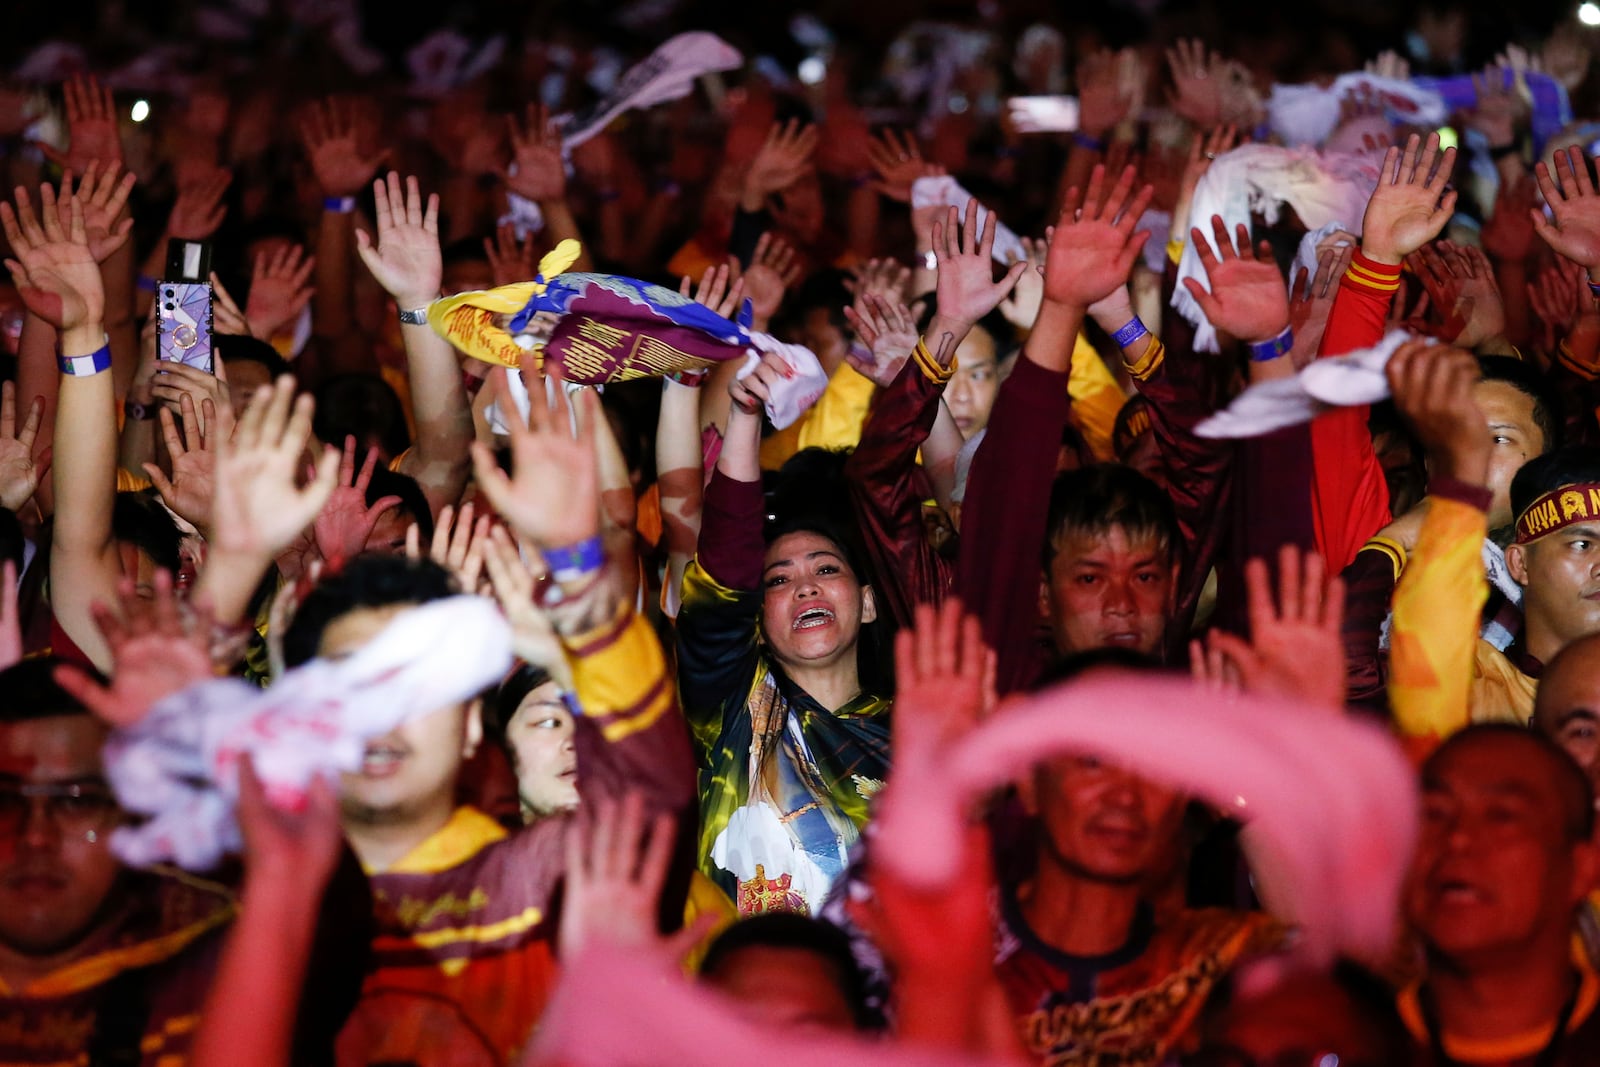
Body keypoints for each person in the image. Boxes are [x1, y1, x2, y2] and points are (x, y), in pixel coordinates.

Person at [0, 655, 365, 1066]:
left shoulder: (208, 952)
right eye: (4, 802)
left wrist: (210, 733)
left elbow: (323, 917)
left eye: (76, 802)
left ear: (133, 810)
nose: (35, 837)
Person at [677, 347, 891, 915]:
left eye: (827, 569)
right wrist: (744, 417)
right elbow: (722, 570)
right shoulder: (731, 712)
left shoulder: (917, 733)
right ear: (759, 622)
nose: (805, 587)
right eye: (779, 579)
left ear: (867, 604)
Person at [1400, 724, 1600, 1062]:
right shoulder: (1344, 1037)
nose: (1457, 838)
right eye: (1433, 813)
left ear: (1582, 869)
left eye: (1502, 816)